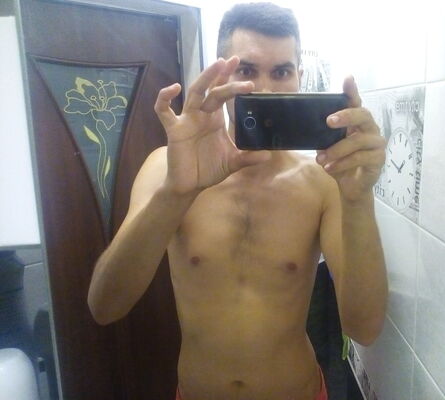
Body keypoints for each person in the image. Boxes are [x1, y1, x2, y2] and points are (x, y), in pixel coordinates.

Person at [87, 3, 388, 400]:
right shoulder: (166, 169)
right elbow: (105, 307)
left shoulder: (323, 181)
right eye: (246, 70)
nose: (264, 89)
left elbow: (364, 328)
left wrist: (359, 200)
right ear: (219, 76)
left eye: (281, 72)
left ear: (299, 77)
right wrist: (177, 192)